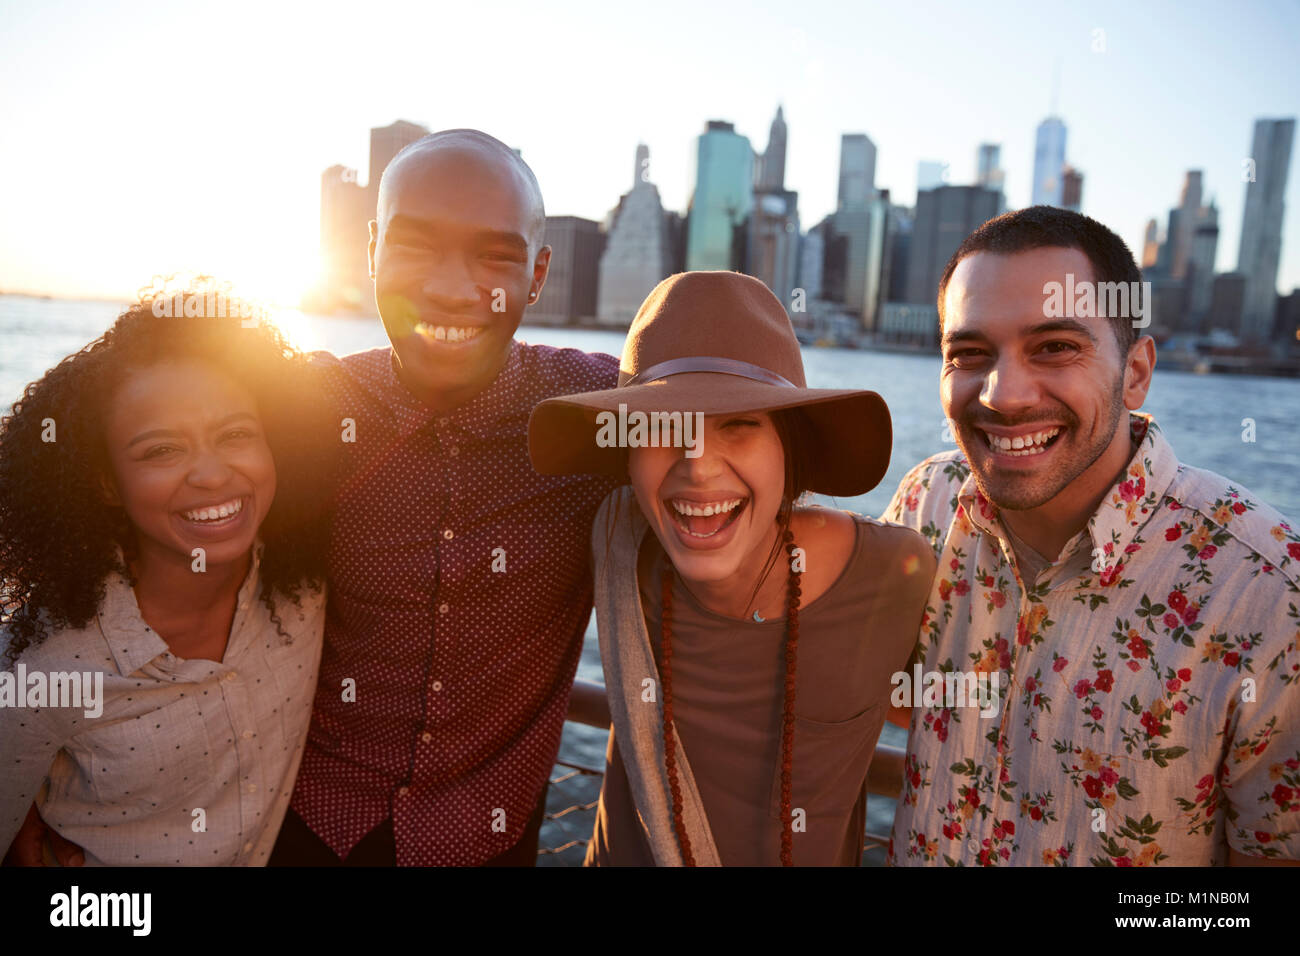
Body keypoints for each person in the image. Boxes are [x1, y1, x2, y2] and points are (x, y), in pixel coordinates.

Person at [8, 129, 618, 868]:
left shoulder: (601, 414)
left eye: (495, 256)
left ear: (539, 274)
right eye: (416, 246)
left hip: (491, 840)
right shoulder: (300, 405)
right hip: (303, 833)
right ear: (371, 250)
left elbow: (747, 430)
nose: (453, 288)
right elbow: (136, 446)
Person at [884, 206, 1300, 866]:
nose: (1004, 393)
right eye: (969, 353)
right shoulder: (928, 504)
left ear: (1135, 372)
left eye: (1054, 347)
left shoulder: (1270, 594)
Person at [528, 271, 936, 865]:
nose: (697, 467)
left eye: (739, 425)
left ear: (788, 445)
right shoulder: (619, 544)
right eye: (663, 426)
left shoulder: (890, 573)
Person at [0, 288, 334, 865]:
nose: (210, 474)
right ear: (105, 483)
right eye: (161, 450)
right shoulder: (45, 662)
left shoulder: (303, 585)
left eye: (235, 434)